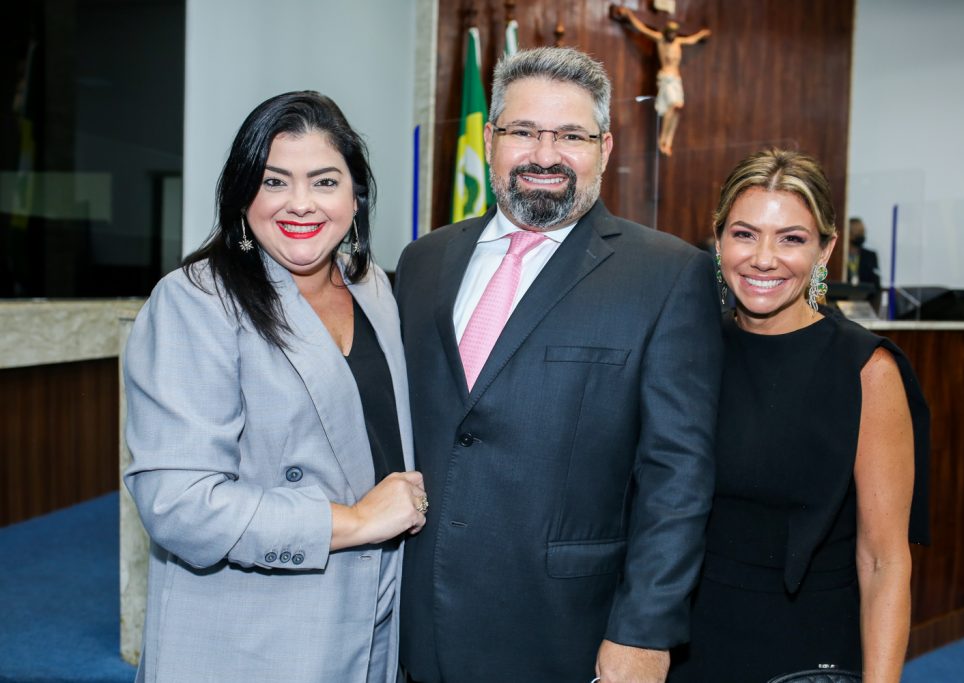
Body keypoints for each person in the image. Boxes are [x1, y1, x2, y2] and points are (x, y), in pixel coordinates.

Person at [395, 47, 722, 683]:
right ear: (490, 139)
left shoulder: (667, 275)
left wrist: (644, 633)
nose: (545, 156)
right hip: (416, 620)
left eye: (570, 136)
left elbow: (678, 477)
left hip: (565, 631)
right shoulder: (422, 262)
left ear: (604, 147)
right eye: (523, 131)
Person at [123, 91, 426, 682]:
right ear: (244, 197)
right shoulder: (196, 301)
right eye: (274, 182)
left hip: (373, 611)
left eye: (325, 181)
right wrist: (356, 522)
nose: (301, 203)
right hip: (255, 630)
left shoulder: (372, 287)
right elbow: (179, 503)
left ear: (356, 196)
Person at [670, 149, 930, 682]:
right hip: (688, 641)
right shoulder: (687, 348)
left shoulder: (866, 370)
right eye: (745, 234)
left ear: (825, 249)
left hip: (806, 649)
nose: (764, 259)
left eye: (791, 238)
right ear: (718, 239)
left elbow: (884, 562)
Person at [612, 5, 711, 156]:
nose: (672, 35)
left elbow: (692, 39)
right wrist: (630, 16)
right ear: (666, 32)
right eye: (670, 32)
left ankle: (668, 141)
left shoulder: (678, 41)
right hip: (666, 78)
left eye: (674, 32)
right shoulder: (660, 40)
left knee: (678, 109)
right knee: (674, 106)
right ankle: (662, 139)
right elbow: (642, 29)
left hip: (676, 79)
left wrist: (702, 33)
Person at [847, 216, 883, 311]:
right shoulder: (838, 257)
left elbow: (876, 286)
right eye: (858, 232)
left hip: (865, 307)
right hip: (841, 306)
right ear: (848, 234)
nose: (862, 235)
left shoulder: (870, 256)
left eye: (863, 232)